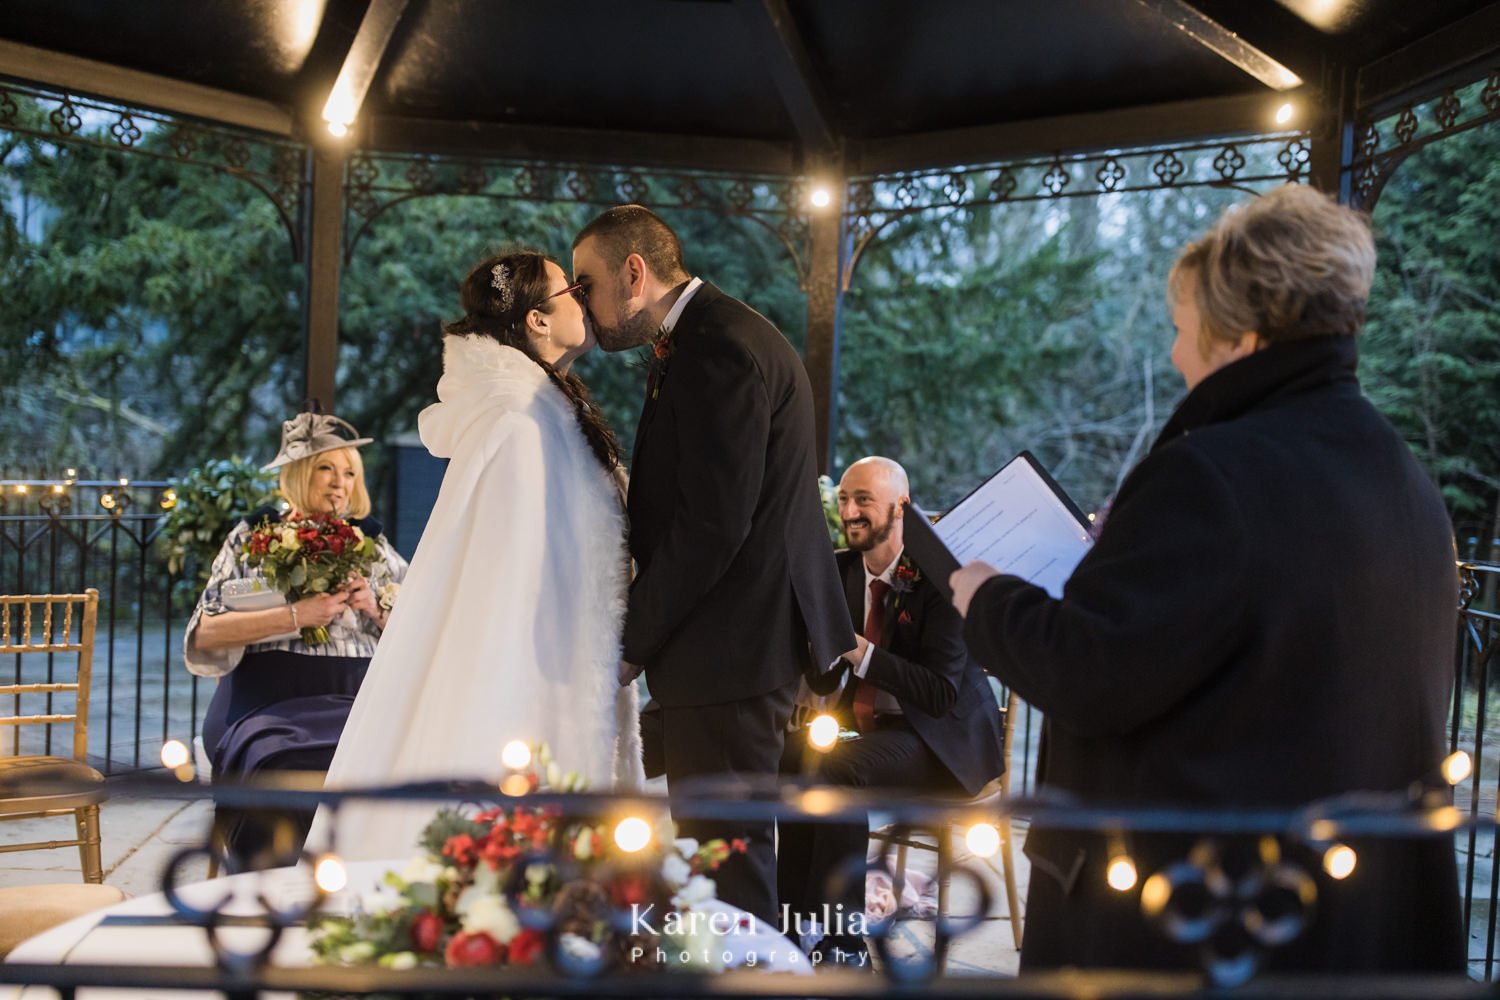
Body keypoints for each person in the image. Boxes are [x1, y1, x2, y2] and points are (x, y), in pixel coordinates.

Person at [950, 184, 1463, 972]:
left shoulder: (1211, 476)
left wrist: (988, 596)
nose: (1174, 355)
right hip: (1346, 925)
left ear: (1240, 335)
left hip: (1198, 922)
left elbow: (1090, 671)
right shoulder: (1401, 477)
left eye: (1183, 331)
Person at [310, 249, 643, 861]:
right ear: (537, 320)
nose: (584, 298)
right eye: (571, 289)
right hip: (532, 674)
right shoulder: (519, 425)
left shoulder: (542, 412)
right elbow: (508, 587)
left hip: (561, 659)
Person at [573, 205, 856, 926]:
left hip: (734, 644)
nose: (583, 305)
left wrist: (632, 645)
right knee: (724, 854)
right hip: (740, 642)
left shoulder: (716, 348)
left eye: (587, 284)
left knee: (725, 862)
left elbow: (711, 524)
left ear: (634, 274)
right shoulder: (708, 338)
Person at [778, 456, 1004, 966]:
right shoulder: (835, 571)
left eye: (863, 500)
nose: (850, 511)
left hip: (936, 738)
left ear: (901, 508)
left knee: (838, 770)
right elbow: (820, 677)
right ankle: (790, 921)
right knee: (789, 759)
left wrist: (859, 650)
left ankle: (842, 937)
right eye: (844, 500)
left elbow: (940, 693)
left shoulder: (938, 580)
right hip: (862, 728)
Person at [184, 411, 408, 869]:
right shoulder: (253, 537)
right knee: (285, 770)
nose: (338, 484)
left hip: (353, 706)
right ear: (298, 473)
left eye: (349, 473)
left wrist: (376, 609)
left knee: (398, 760)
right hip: (264, 704)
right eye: (327, 468)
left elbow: (427, 627)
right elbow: (205, 632)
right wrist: (293, 615)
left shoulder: (374, 546)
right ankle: (265, 887)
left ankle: (361, 886)